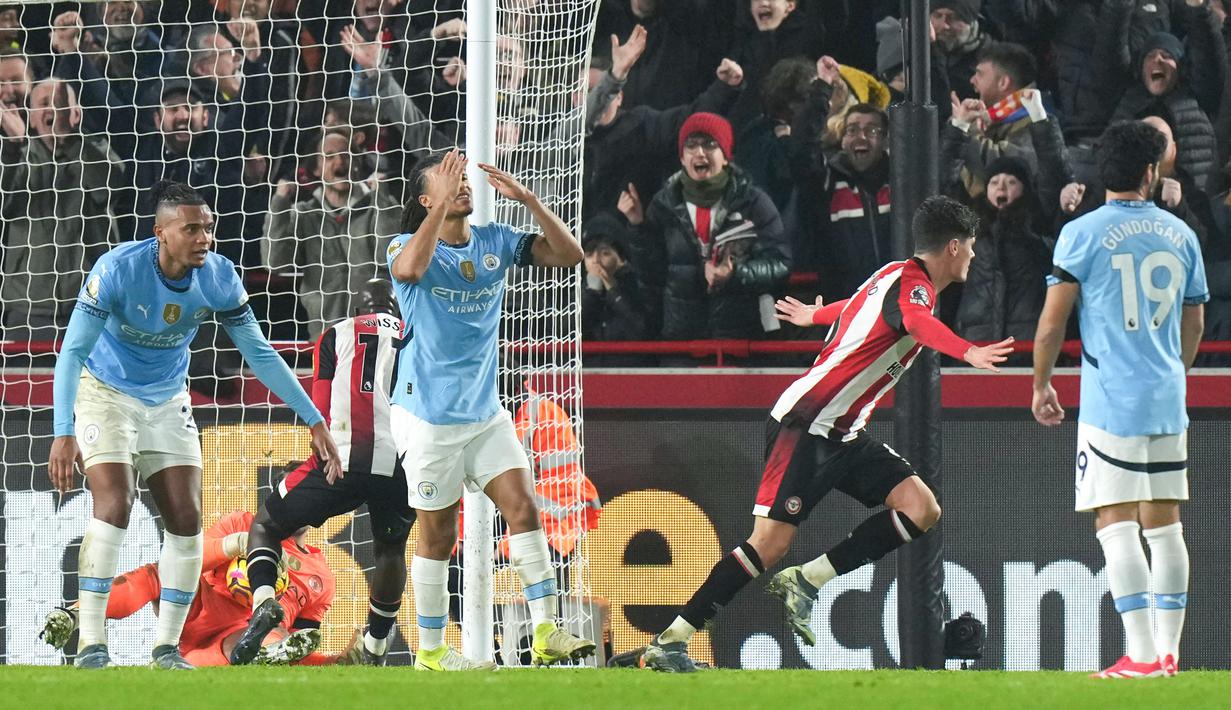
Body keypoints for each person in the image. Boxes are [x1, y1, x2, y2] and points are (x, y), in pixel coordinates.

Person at [640, 196, 1014, 672]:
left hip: (843, 430)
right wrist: (967, 351)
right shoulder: (915, 292)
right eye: (973, 247)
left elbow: (858, 306)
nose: (976, 256)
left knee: (921, 507)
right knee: (768, 545)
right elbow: (916, 323)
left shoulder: (894, 274)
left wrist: (815, 317)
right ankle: (670, 641)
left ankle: (809, 579)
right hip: (807, 422)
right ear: (955, 247)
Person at [46, 180, 341, 670]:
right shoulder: (117, 271)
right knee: (115, 505)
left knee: (185, 521)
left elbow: (260, 353)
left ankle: (166, 650)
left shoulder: (220, 277)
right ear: (160, 232)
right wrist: (62, 430)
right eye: (192, 229)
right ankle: (91, 645)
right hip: (105, 395)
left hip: (167, 400)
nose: (204, 238)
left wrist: (312, 419)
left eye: (209, 227)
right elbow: (73, 350)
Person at [387, 149, 593, 670]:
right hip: (428, 419)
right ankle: (430, 652)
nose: (462, 185)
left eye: (464, 178)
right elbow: (410, 268)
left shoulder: (496, 240)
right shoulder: (404, 248)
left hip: (485, 414)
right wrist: (438, 208)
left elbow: (570, 255)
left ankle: (547, 629)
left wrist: (528, 201)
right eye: (448, 179)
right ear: (424, 200)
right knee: (438, 537)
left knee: (524, 508)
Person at [1032, 121, 1208, 679]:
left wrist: (1040, 383)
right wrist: (1173, 371)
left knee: (1115, 522)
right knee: (1165, 524)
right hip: (1166, 397)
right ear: (1151, 172)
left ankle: (1140, 654)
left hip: (1111, 401)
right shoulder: (1182, 235)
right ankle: (1169, 652)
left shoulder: (1081, 234)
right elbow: (1195, 319)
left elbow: (1051, 323)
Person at [229, 280, 415, 667]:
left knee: (265, 525)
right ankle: (377, 647)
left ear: (357, 307)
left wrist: (321, 451)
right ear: (397, 309)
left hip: (342, 460)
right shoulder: (416, 334)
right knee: (391, 548)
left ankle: (265, 602)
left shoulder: (335, 335)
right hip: (401, 462)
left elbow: (322, 407)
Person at [40, 510, 329, 667]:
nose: (298, 507)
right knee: (162, 573)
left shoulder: (322, 577)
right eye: (291, 500)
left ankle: (249, 655)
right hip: (198, 603)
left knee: (271, 638)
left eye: (304, 502)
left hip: (244, 629)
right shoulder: (243, 523)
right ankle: (75, 614)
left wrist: (334, 661)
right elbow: (194, 559)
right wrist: (239, 543)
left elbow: (299, 641)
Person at [622, 112, 790, 342]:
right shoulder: (663, 204)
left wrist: (736, 274)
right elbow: (651, 275)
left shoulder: (753, 202)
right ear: (682, 157)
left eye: (710, 144)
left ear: (726, 155)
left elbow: (780, 264)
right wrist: (638, 227)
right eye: (691, 145)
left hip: (741, 342)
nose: (700, 152)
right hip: (680, 342)